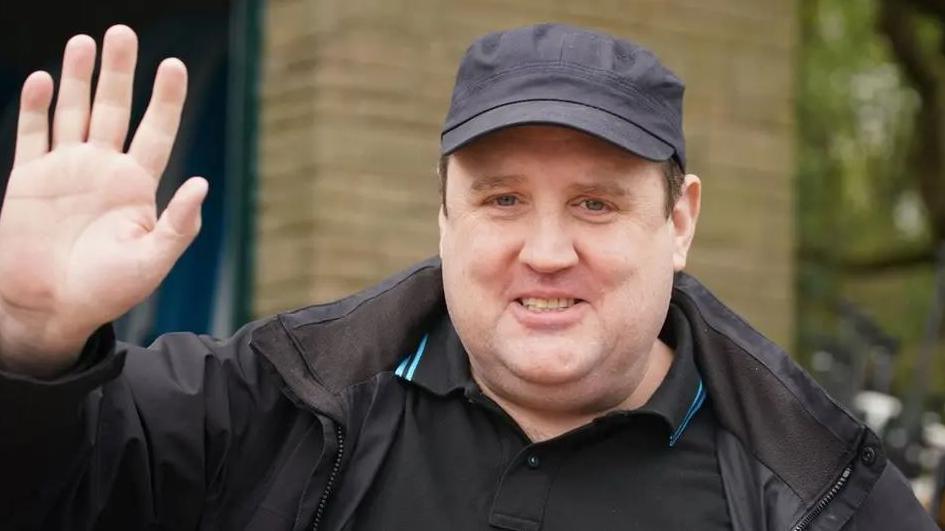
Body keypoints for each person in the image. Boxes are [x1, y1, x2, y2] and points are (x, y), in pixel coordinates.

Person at [0, 22, 935, 531]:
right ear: (442, 212)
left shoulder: (822, 494)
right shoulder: (266, 403)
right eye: (499, 200)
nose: (545, 250)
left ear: (679, 219)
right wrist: (27, 334)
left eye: (596, 205)